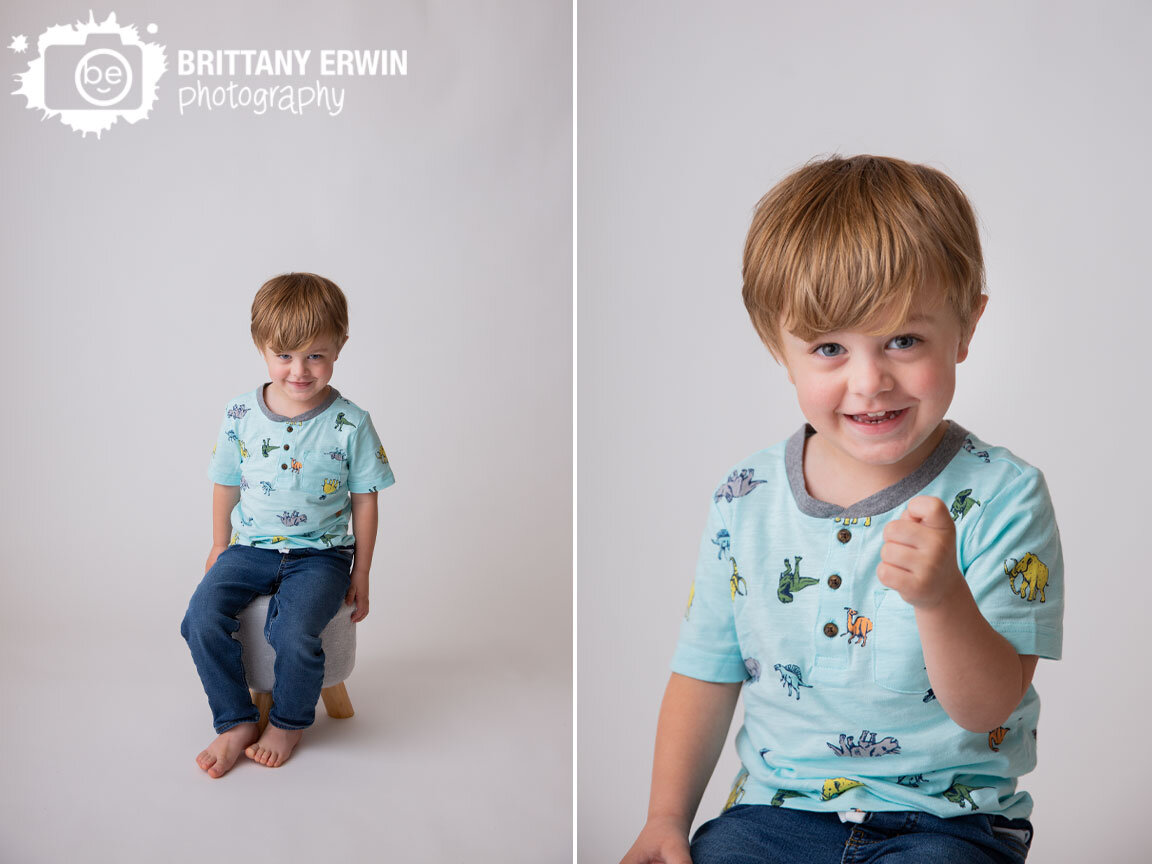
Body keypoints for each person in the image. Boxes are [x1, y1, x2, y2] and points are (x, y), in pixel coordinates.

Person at [620, 156, 1063, 863]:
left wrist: (943, 598)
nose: (870, 382)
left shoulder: (1004, 496)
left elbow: (987, 710)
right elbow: (706, 669)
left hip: (945, 828)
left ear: (966, 327)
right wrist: (666, 818)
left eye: (904, 340)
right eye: (829, 347)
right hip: (773, 818)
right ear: (778, 345)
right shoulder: (746, 497)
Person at [181, 272, 395, 778]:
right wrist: (218, 544)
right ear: (261, 348)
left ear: (340, 347)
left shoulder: (350, 422)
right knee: (199, 617)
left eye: (315, 355)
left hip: (320, 556)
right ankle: (234, 721)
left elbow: (365, 500)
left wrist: (361, 572)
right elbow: (225, 483)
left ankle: (289, 720)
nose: (299, 370)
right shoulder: (239, 414)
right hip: (250, 547)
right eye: (284, 355)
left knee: (295, 630)